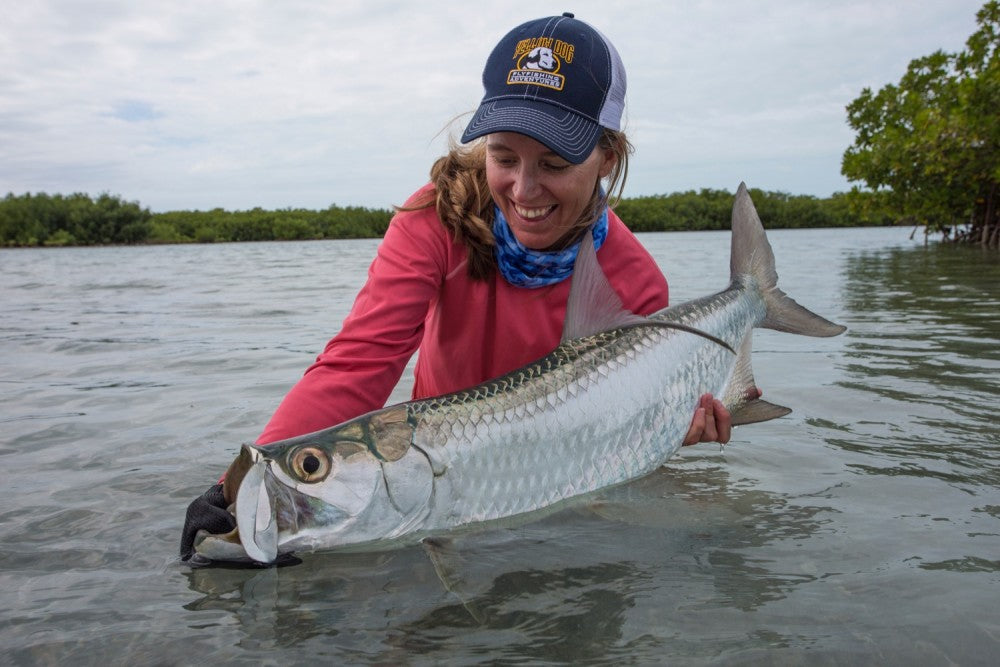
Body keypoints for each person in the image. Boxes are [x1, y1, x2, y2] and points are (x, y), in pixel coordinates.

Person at [180, 13, 733, 560]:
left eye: (555, 162)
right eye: (503, 156)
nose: (524, 189)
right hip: (435, 476)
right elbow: (359, 362)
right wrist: (244, 485)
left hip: (564, 492)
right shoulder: (433, 217)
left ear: (606, 158)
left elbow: (615, 431)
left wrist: (663, 430)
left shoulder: (634, 282)